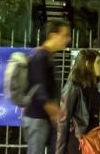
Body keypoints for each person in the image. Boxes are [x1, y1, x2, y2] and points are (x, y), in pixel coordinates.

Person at [23, 20, 71, 154]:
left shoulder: (46, 56)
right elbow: (40, 90)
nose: (67, 39)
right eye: (64, 35)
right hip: (36, 117)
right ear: (53, 35)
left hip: (41, 118)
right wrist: (55, 114)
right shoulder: (40, 56)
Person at [56, 49, 100, 154]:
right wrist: (59, 150)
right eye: (98, 62)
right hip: (77, 142)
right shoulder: (73, 87)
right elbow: (63, 121)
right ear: (87, 64)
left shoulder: (92, 87)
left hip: (91, 140)